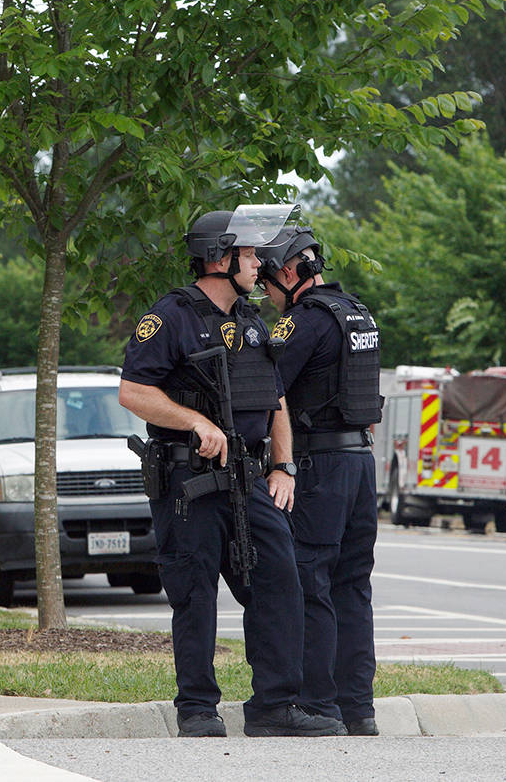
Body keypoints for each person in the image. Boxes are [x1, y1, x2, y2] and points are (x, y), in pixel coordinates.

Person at [119, 208, 346, 738]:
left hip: (248, 478)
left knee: (279, 582)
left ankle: (273, 705)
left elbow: (276, 399)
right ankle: (197, 707)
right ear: (220, 257)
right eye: (250, 255)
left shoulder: (249, 320)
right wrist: (194, 421)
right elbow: (133, 391)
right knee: (194, 593)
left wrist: (283, 466)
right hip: (189, 480)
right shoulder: (170, 316)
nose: (259, 265)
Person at [257, 225, 382, 737]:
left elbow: (267, 384)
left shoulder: (303, 322)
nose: (265, 293)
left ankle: (317, 704)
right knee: (353, 586)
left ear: (289, 273)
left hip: (320, 467)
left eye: (267, 281)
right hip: (360, 465)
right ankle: (359, 708)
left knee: (312, 582)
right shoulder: (357, 312)